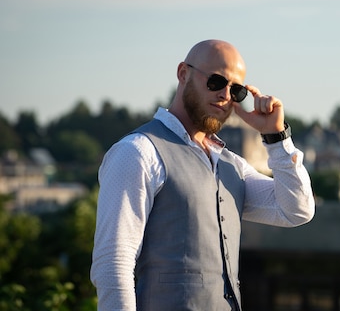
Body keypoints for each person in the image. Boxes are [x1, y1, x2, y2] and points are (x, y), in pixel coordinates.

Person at [90, 39, 316, 310]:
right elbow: (113, 262)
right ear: (183, 74)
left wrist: (276, 138)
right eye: (216, 81)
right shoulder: (138, 152)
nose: (224, 95)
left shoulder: (231, 164)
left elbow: (296, 210)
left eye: (236, 90)